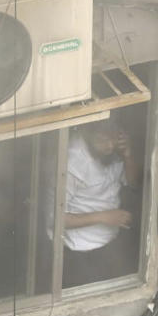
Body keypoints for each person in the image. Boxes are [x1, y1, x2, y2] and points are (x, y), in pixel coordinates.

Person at [51, 120, 143, 288]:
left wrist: (128, 156)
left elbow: (134, 183)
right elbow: (57, 219)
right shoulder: (72, 162)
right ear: (86, 133)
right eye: (102, 140)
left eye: (113, 139)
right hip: (80, 253)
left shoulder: (113, 152)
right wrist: (104, 217)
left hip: (111, 245)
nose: (109, 146)